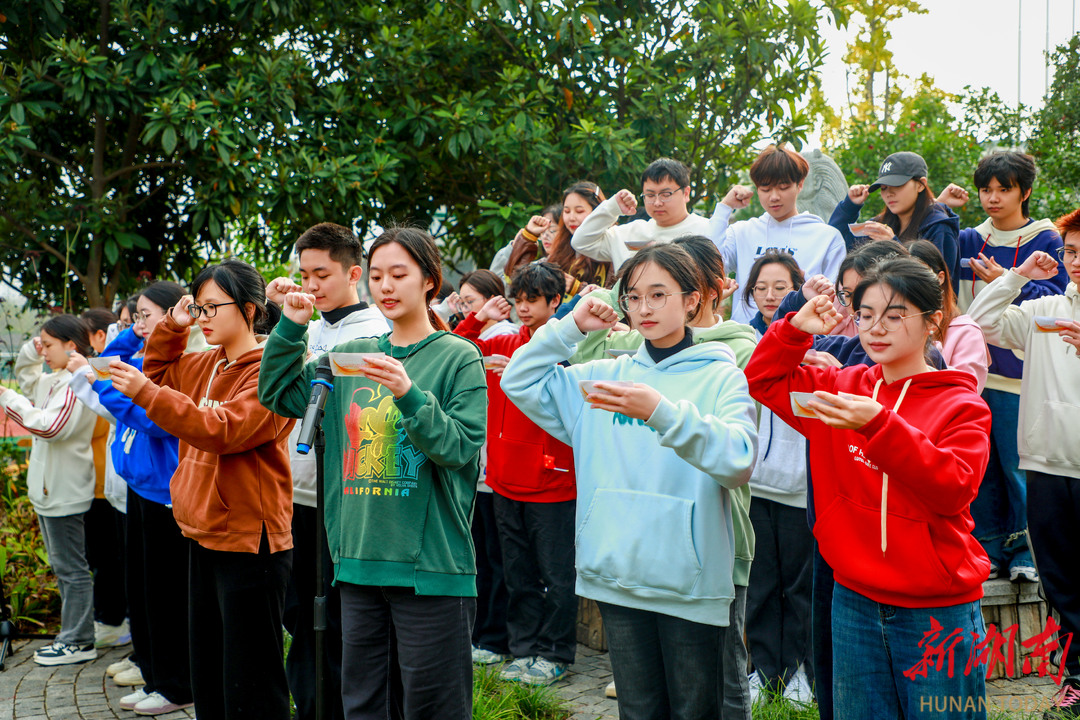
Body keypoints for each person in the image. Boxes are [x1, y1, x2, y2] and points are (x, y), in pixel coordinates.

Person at [502, 243, 758, 720]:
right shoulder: (604, 376)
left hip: (691, 584)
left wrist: (660, 413)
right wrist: (570, 327)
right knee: (638, 712)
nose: (644, 308)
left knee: (695, 712)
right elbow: (519, 379)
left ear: (692, 300)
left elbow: (739, 460)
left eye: (659, 295)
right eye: (634, 296)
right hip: (617, 575)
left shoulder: (721, 376)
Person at [745, 256, 992, 719]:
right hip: (853, 598)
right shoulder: (842, 388)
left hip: (936, 610)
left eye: (895, 316)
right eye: (865, 315)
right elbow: (763, 379)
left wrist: (881, 425)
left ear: (932, 321)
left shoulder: (962, 405)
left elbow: (953, 489)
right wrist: (794, 327)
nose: (877, 328)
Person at [259, 227, 486, 720]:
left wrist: (408, 392)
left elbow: (459, 448)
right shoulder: (352, 354)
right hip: (357, 563)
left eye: (399, 274)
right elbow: (280, 395)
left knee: (432, 709)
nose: (385, 286)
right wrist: (291, 327)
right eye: (378, 275)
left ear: (429, 280)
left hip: (431, 571)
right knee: (363, 705)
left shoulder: (457, 357)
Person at [109, 259, 296, 720]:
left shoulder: (271, 371)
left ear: (250, 310)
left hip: (250, 542)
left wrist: (147, 393)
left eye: (213, 308)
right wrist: (174, 322)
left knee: (251, 680)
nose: (204, 318)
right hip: (203, 532)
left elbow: (222, 429)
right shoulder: (207, 362)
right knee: (210, 673)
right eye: (200, 308)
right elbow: (158, 370)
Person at [264, 222, 390, 720]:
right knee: (300, 615)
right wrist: (284, 318)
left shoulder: (376, 331)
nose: (311, 285)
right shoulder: (310, 327)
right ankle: (311, 705)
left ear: (353, 272)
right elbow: (275, 388)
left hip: (345, 501)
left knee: (338, 620)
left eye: (322, 273)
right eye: (304, 274)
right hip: (296, 495)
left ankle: (338, 707)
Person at [966, 218, 1080, 719]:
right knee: (1060, 581)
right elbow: (980, 322)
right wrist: (1017, 277)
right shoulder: (1046, 311)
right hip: (1047, 463)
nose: (1076, 261)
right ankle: (1074, 677)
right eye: (1071, 251)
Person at [937, 150, 1068, 584]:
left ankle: (1026, 551)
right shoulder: (972, 237)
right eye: (986, 189)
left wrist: (1005, 281)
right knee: (982, 468)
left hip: (1022, 373)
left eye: (1004, 189)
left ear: (1025, 192)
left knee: (1017, 467)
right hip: (971, 373)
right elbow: (939, 277)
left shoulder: (1048, 240)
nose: (992, 198)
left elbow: (1058, 297)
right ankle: (988, 549)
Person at [69, 281, 195, 715]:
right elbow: (111, 360)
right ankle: (154, 673)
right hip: (139, 490)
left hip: (165, 495)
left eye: (144, 315)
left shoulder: (179, 363)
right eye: (133, 317)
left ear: (174, 314)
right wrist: (137, 330)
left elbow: (153, 418)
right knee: (142, 592)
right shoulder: (142, 354)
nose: (137, 324)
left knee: (164, 595)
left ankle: (175, 684)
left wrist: (101, 384)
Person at [455, 261, 578, 686]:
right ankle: (522, 649)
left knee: (558, 577)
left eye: (533, 300)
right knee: (517, 573)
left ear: (555, 302)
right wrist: (479, 317)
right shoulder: (503, 341)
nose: (524, 308)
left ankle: (556, 652)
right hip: (504, 478)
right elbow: (454, 347)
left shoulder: (570, 350)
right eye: (519, 300)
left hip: (554, 479)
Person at [0, 316, 100, 666]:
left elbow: (51, 427)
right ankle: (76, 635)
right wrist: (36, 343)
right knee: (63, 566)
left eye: (49, 345)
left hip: (64, 491)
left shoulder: (75, 381)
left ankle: (79, 640)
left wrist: (8, 397)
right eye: (40, 344)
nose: (42, 351)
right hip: (50, 490)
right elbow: (27, 370)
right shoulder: (53, 379)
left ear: (72, 346)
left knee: (71, 569)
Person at [739, 252, 815, 705]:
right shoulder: (739, 341)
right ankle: (763, 672)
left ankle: (800, 674)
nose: (771, 296)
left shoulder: (815, 337)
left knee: (799, 588)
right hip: (754, 484)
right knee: (761, 586)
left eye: (781, 287)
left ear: (798, 289)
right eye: (761, 287)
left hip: (802, 487)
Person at [709, 144, 847, 324]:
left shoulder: (827, 237)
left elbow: (837, 301)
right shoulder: (742, 232)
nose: (774, 197)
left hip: (801, 342)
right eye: (765, 189)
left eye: (783, 187)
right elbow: (710, 266)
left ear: (800, 185)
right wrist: (724, 208)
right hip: (747, 343)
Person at [829, 151, 960, 279]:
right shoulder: (881, 225)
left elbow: (934, 283)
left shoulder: (939, 227)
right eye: (883, 187)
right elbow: (835, 240)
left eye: (897, 184)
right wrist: (849, 206)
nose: (889, 193)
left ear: (921, 185)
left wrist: (893, 246)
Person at [570, 158, 712, 271]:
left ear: (686, 193)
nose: (657, 202)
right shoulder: (628, 234)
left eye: (666, 194)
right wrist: (612, 208)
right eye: (650, 195)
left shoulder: (707, 230)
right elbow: (581, 242)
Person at [906, 240, 989, 392]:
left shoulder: (966, 332)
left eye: (920, 275)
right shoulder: (887, 325)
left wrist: (930, 356)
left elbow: (965, 392)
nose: (910, 284)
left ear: (940, 277)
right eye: (902, 275)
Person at [547, 182, 614, 292]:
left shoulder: (614, 243)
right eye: (567, 211)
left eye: (579, 211)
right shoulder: (559, 247)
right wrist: (528, 237)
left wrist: (578, 289)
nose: (571, 218)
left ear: (597, 212)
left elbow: (616, 297)